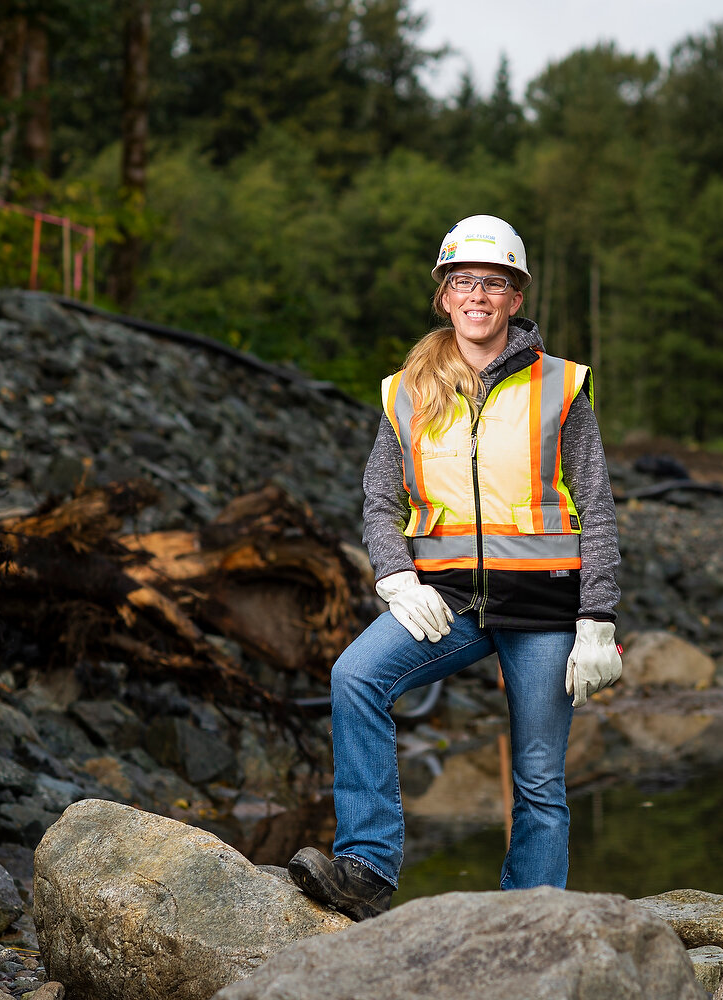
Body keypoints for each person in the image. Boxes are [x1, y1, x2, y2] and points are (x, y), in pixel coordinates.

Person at [288, 215, 622, 921]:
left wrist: (598, 619)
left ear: (515, 297)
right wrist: (395, 577)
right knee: (355, 677)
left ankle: (527, 921)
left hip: (545, 608)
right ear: (444, 295)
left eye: (494, 283)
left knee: (537, 779)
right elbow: (380, 499)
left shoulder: (561, 386)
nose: (478, 295)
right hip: (446, 602)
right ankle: (368, 871)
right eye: (465, 281)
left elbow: (597, 506)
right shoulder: (407, 390)